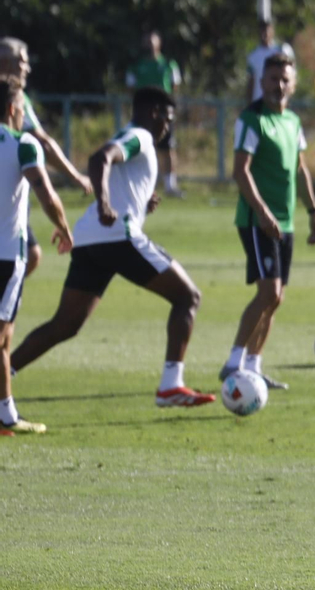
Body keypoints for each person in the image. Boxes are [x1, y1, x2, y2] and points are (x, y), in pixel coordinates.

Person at [8, 86, 212, 409]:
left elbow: (120, 180)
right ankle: (170, 386)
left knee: (65, 324)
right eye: (168, 119)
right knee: (188, 297)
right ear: (154, 113)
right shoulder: (140, 136)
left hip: (91, 238)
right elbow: (100, 158)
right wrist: (104, 203)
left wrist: (141, 203)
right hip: (116, 236)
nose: (168, 127)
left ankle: (4, 373)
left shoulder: (131, 136)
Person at [220, 53, 315, 390]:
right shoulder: (252, 119)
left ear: (293, 84)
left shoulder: (292, 121)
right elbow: (240, 171)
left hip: (286, 222)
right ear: (261, 82)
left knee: (276, 299)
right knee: (269, 292)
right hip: (256, 220)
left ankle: (253, 366)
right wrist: (262, 212)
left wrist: (313, 211)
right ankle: (233, 363)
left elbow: (300, 169)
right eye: (273, 78)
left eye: (284, 79)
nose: (279, 85)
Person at [0, 76, 74, 435]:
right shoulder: (22, 144)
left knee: (5, 337)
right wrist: (63, 226)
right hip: (5, 255)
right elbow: (45, 192)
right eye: (22, 110)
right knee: (1, 335)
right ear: (13, 109)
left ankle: (6, 413)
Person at [0, 37, 92, 277]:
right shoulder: (15, 99)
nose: (27, 68)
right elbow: (43, 143)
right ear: (4, 62)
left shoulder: (16, 96)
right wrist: (75, 176)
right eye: (22, 61)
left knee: (31, 254)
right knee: (25, 255)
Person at [125, 31, 182, 196]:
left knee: (168, 147)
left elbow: (175, 86)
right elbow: (130, 88)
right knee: (143, 147)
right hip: (143, 115)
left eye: (153, 42)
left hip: (163, 114)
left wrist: (169, 109)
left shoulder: (169, 64)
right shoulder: (137, 66)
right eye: (147, 42)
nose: (150, 45)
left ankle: (170, 185)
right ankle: (142, 183)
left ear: (159, 43)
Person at [244, 20, 295, 104]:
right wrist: (249, 102)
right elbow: (251, 81)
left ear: (272, 31)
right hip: (259, 101)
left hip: (278, 98)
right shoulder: (253, 56)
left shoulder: (281, 50)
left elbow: (291, 75)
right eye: (262, 31)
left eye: (267, 31)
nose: (265, 34)